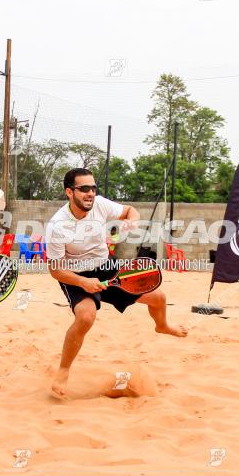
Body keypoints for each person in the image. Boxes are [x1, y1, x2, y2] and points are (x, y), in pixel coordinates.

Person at [45, 168, 188, 398]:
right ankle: (63, 370)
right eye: (84, 189)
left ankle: (162, 326)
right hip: (74, 275)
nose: (90, 193)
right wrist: (84, 282)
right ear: (69, 192)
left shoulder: (100, 204)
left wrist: (130, 222)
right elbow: (55, 270)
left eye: (93, 188)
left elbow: (132, 211)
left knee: (158, 297)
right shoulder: (57, 225)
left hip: (106, 266)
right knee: (85, 316)